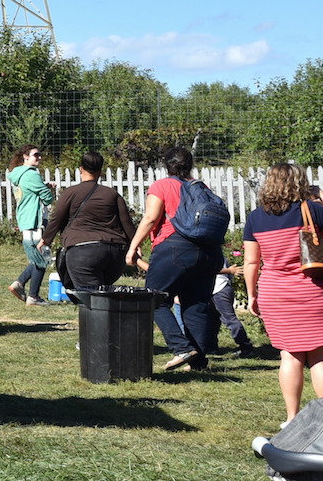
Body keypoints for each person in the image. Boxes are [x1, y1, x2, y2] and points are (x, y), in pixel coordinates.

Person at [124, 146, 227, 372]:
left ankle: (181, 348)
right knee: (196, 305)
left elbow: (151, 218)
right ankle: (198, 362)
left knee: (153, 299)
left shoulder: (162, 185)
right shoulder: (201, 188)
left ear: (166, 164)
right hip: (209, 253)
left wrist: (133, 246)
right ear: (190, 164)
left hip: (175, 247)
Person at [244, 164, 323, 422]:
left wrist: (251, 295)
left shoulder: (255, 218)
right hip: (312, 290)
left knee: (289, 354)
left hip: (274, 292)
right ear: (300, 182)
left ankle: (291, 418)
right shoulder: (312, 210)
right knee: (320, 355)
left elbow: (251, 263)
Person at [45, 150, 133, 292]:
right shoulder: (112, 194)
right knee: (104, 295)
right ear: (100, 171)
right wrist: (136, 245)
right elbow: (127, 223)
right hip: (115, 252)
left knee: (92, 299)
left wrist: (45, 240)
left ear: (81, 170)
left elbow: (57, 218)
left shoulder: (71, 192)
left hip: (82, 251)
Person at [6, 145, 56, 306]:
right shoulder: (31, 175)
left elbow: (32, 193)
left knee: (38, 257)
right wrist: (50, 191)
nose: (39, 157)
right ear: (25, 157)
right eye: (36, 155)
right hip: (35, 220)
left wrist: (44, 189)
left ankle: (19, 284)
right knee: (42, 257)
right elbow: (47, 198)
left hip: (25, 220)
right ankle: (33, 296)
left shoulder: (17, 175)